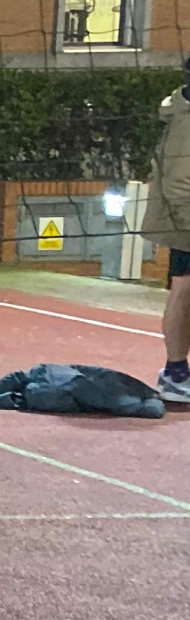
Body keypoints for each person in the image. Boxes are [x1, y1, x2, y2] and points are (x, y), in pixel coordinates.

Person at [145, 55, 190, 406]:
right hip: (185, 219)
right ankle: (175, 373)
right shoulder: (186, 121)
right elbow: (178, 183)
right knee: (184, 289)